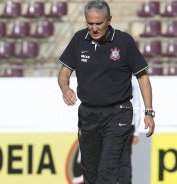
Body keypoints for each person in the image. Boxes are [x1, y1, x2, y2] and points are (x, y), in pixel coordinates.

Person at [57, 0, 155, 183]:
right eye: (90, 23)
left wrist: (149, 112)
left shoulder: (124, 42)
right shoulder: (79, 39)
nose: (94, 28)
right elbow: (64, 72)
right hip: (88, 114)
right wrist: (65, 88)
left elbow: (143, 77)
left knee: (106, 172)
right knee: (91, 174)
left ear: (109, 20)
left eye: (99, 23)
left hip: (118, 113)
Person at [118, 76, 142, 184]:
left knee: (124, 160)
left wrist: (136, 131)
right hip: (116, 123)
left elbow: (136, 105)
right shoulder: (131, 80)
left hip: (126, 124)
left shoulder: (132, 81)